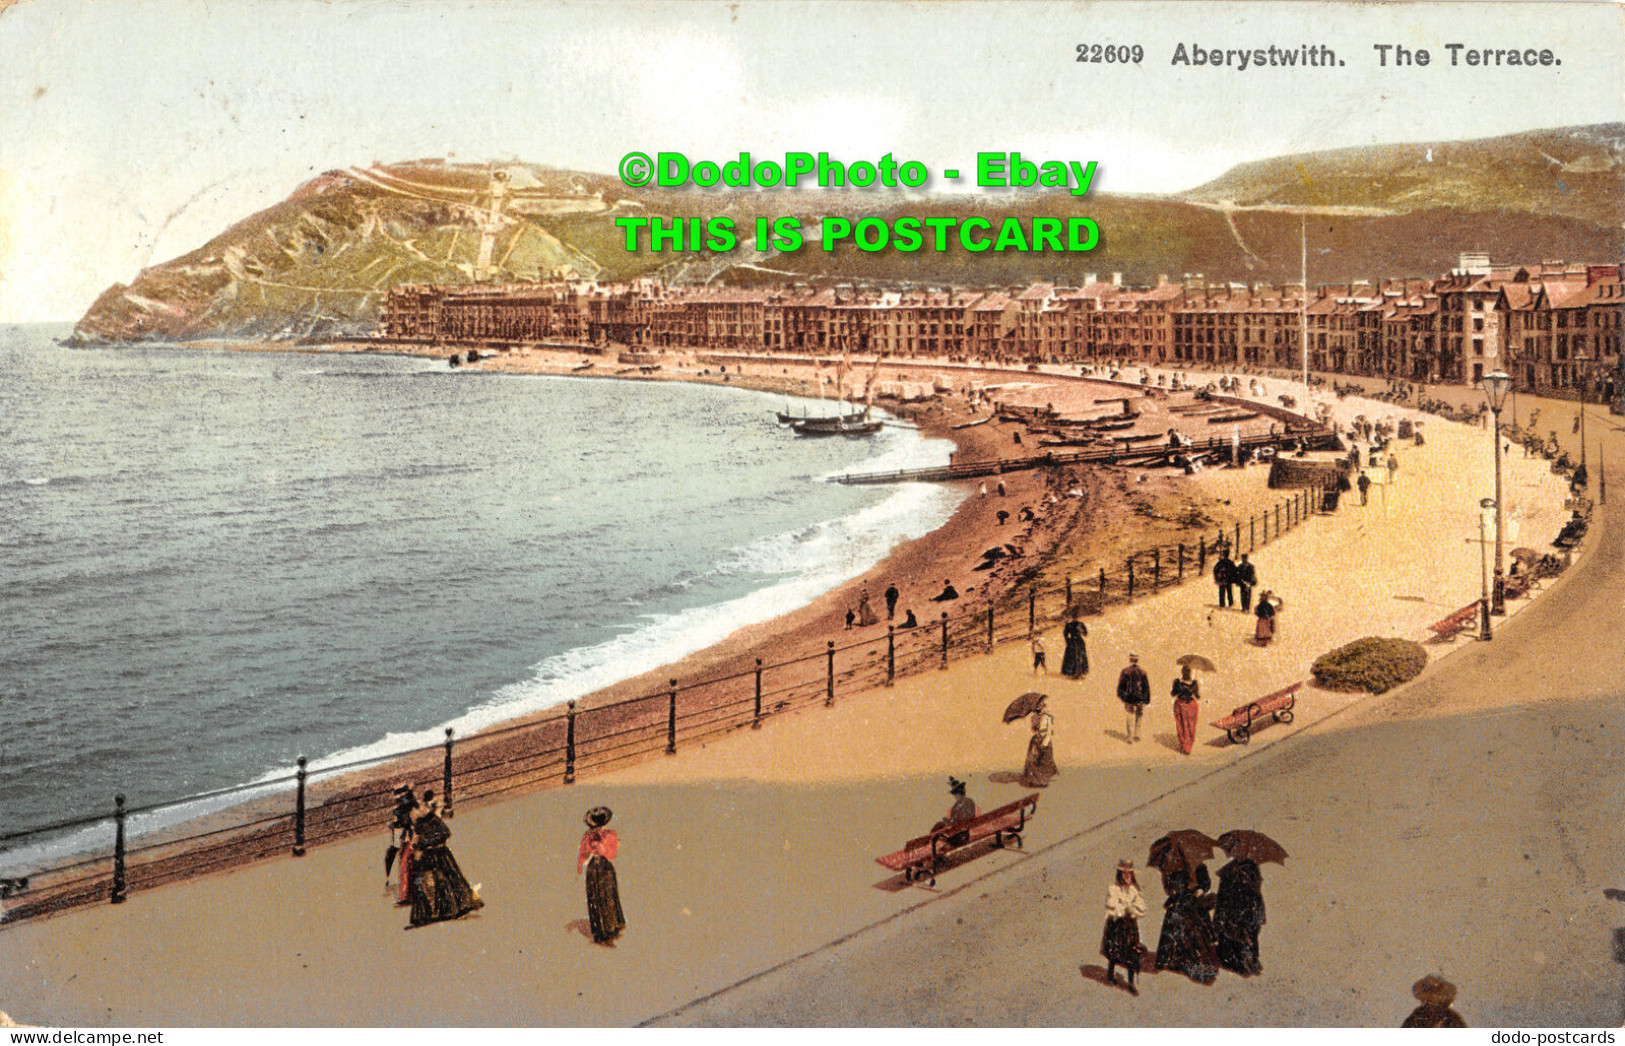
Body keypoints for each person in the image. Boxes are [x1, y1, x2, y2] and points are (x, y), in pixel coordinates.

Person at [406, 791, 483, 928]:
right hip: (433, 854)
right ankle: (446, 909)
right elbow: (416, 837)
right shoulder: (418, 816)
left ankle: (456, 906)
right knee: (441, 881)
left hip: (441, 852)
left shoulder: (429, 814)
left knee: (452, 879)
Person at [1155, 853, 1219, 984]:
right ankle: (1177, 960)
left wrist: (1198, 884)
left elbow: (1206, 885)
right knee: (1177, 933)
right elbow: (1170, 890)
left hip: (1192, 905)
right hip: (1179, 908)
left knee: (1198, 933)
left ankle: (1199, 962)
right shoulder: (1169, 867)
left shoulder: (1197, 864)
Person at [577, 806, 626, 946]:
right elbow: (584, 859)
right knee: (596, 896)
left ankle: (612, 927)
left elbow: (612, 854)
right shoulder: (588, 836)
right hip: (593, 868)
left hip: (605, 867)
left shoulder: (610, 834)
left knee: (608, 895)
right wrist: (590, 851)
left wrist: (600, 847)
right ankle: (600, 931)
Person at [1213, 856, 1267, 976]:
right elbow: (1223, 898)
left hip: (1245, 912)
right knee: (1233, 939)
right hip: (1233, 912)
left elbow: (1255, 891)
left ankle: (1245, 963)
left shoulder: (1250, 869)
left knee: (1245, 938)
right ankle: (1237, 961)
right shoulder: (1229, 871)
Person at [1101, 860, 1148, 995]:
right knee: (1115, 950)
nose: (1127, 876)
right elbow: (1110, 905)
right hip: (1117, 925)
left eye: (1129, 873)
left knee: (1132, 953)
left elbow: (1142, 908)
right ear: (1120, 874)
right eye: (1124, 873)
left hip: (1130, 926)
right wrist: (1123, 907)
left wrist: (1132, 909)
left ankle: (1131, 983)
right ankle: (1110, 974)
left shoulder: (1134, 889)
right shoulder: (1113, 889)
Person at [385, 785, 417, 905]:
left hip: (410, 839)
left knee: (405, 865)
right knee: (407, 866)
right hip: (411, 838)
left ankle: (406, 895)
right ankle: (407, 895)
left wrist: (394, 825)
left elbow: (403, 823)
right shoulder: (412, 806)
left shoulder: (402, 810)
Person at [1402, 976, 1467, 1027]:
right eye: (1428, 996)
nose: (1432, 998)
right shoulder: (1416, 1016)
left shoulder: (1452, 1017)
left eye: (1436, 994)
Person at [1020, 698, 1058, 787]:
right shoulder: (1033, 717)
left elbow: (1049, 730)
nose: (1039, 708)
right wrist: (1034, 722)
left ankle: (1043, 780)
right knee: (1033, 759)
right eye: (1037, 707)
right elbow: (1033, 729)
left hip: (1045, 738)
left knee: (1045, 760)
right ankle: (1033, 780)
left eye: (1041, 706)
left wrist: (1045, 741)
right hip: (1036, 739)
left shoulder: (1047, 717)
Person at [931, 777, 978, 846]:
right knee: (940, 825)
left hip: (958, 836)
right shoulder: (970, 802)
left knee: (939, 825)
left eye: (955, 794)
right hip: (965, 832)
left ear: (957, 794)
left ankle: (929, 840)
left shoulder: (956, 807)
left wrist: (947, 821)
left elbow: (955, 822)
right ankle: (930, 839)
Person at [1116, 654, 1150, 743]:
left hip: (1129, 697)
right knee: (1139, 714)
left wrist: (1121, 695)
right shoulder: (1142, 672)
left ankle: (1129, 736)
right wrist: (1146, 698)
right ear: (1137, 660)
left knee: (1129, 714)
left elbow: (1121, 685)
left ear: (1130, 660)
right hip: (1139, 697)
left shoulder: (1125, 671)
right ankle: (1137, 734)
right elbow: (1146, 686)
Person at [1171, 666, 1200, 755]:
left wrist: (1193, 690)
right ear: (1183, 673)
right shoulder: (1178, 682)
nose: (1186, 674)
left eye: (1188, 672)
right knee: (1182, 726)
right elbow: (1173, 693)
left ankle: (1187, 746)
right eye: (1185, 672)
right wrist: (1181, 689)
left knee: (1190, 726)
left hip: (1190, 706)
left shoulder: (1194, 683)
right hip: (1181, 705)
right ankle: (1185, 747)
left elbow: (1198, 696)